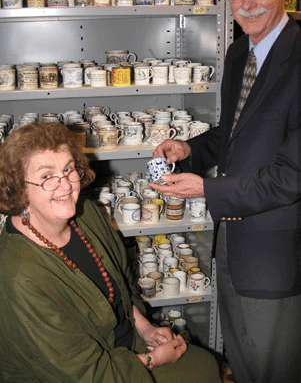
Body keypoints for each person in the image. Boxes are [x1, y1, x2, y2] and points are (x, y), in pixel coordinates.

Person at [149, 0, 301, 382]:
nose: (247, 4)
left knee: (273, 369)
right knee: (244, 361)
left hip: (274, 259)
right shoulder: (240, 53)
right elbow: (233, 135)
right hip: (230, 249)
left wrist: (205, 189)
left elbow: (291, 177)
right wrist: (191, 150)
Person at [0, 122, 221, 383]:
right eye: (47, 176)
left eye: (69, 169)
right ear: (18, 187)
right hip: (77, 374)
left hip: (120, 346)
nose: (66, 185)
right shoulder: (19, 275)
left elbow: (121, 284)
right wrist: (153, 360)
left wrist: (146, 329)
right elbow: (84, 373)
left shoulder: (86, 214)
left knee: (203, 363)